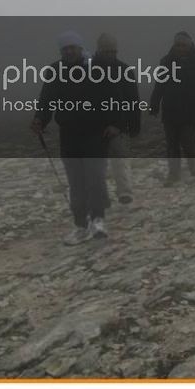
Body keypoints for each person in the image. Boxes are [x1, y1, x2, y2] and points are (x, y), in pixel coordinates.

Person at [31, 31, 115, 245]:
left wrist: (115, 123)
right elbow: (47, 99)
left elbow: (113, 97)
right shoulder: (54, 71)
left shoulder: (96, 68)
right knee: (76, 183)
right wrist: (40, 119)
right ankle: (81, 225)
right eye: (65, 48)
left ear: (80, 48)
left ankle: (98, 220)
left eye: (72, 47)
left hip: (96, 133)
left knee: (95, 179)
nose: (69, 51)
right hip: (69, 135)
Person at [149, 32, 195, 185]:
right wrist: (154, 105)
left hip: (191, 111)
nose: (180, 48)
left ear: (190, 46)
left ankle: (193, 169)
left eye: (183, 45)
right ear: (174, 45)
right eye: (178, 45)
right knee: (172, 145)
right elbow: (159, 85)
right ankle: (173, 174)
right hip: (170, 110)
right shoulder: (166, 62)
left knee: (189, 143)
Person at [92, 33, 139, 206]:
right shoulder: (86, 71)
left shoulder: (125, 70)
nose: (110, 54)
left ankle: (125, 192)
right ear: (99, 50)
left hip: (118, 125)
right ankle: (101, 196)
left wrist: (130, 126)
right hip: (93, 126)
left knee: (120, 159)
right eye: (106, 51)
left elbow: (132, 100)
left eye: (113, 51)